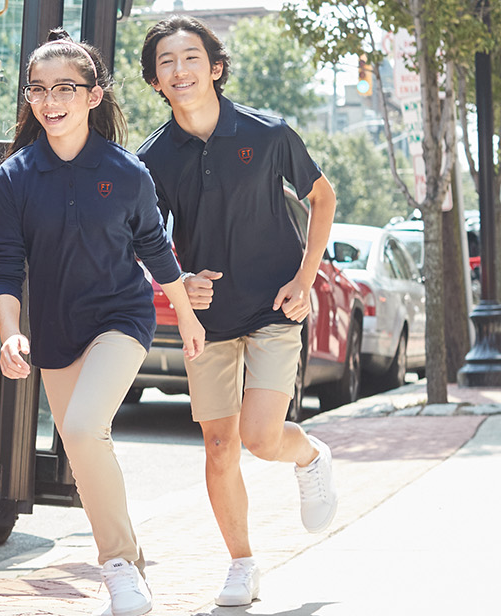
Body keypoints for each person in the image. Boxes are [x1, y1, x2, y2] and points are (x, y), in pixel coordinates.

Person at [0, 30, 207, 616]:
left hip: (121, 317)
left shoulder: (127, 172)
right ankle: (131, 560)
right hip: (55, 334)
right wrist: (10, 331)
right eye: (38, 89)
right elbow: (5, 268)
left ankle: (115, 568)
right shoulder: (15, 177)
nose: (49, 100)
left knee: (84, 429)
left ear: (93, 95)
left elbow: (158, 253)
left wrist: (185, 318)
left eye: (65, 88)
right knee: (83, 451)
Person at [134, 15, 340, 609]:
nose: (180, 70)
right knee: (220, 447)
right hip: (209, 322)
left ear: (215, 68)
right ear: (155, 81)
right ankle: (242, 564)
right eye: (166, 62)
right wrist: (178, 282)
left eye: (191, 58)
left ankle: (310, 455)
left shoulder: (268, 133)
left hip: (275, 305)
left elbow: (321, 197)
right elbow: (145, 238)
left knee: (259, 437)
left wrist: (306, 277)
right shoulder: (153, 158)